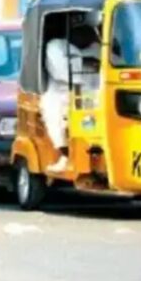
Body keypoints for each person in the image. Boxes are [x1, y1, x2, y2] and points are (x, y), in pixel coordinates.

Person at [40, 25, 101, 173]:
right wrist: (85, 62)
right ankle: (65, 154)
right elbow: (61, 72)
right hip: (60, 94)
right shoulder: (56, 46)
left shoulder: (97, 48)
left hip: (89, 94)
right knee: (54, 116)